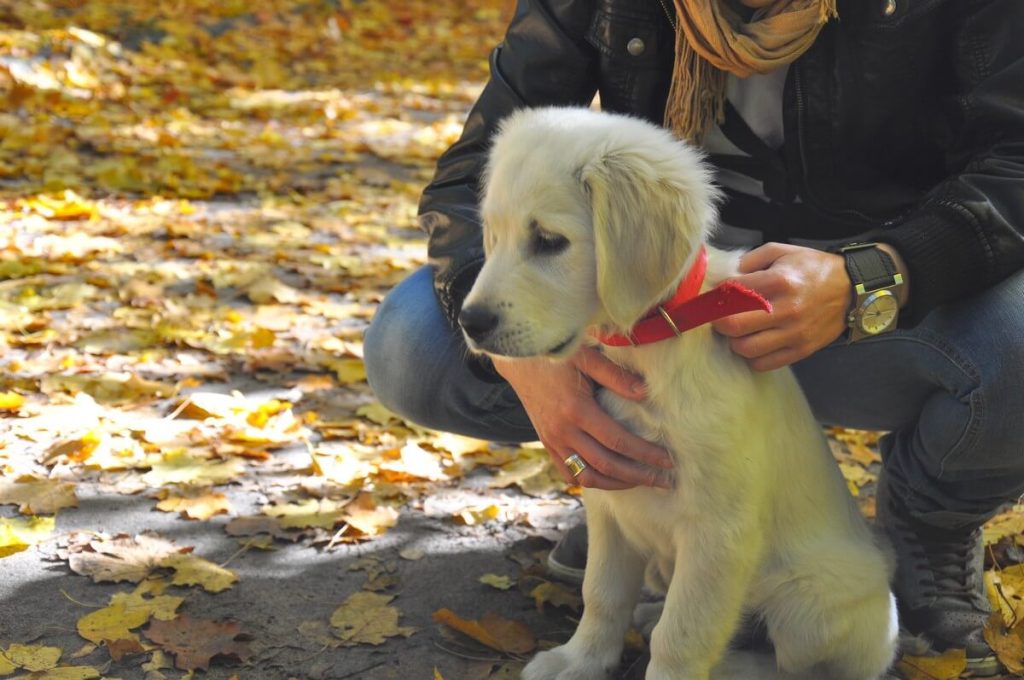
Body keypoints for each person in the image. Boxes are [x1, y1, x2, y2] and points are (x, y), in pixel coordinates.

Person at [364, 0, 1024, 674]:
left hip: (846, 302)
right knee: (414, 342)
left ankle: (931, 520)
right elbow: (472, 168)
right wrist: (528, 365)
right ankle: (642, 503)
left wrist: (881, 274)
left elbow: (1017, 162)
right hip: (637, 292)